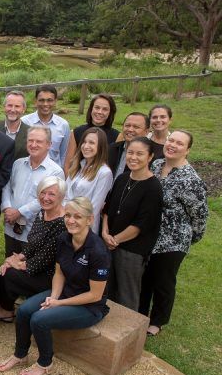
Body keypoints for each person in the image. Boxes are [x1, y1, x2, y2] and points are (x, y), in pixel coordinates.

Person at [0, 197, 110, 375]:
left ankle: (44, 363)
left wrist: (59, 303)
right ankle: (20, 354)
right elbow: (59, 273)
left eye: (78, 217)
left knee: (39, 320)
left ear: (90, 220)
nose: (71, 220)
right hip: (64, 293)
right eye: (68, 215)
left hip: (89, 306)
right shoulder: (65, 238)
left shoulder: (98, 251)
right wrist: (54, 297)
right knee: (24, 311)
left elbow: (94, 295)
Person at [140, 130, 208, 336]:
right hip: (149, 236)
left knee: (163, 281)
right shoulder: (157, 165)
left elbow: (200, 215)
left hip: (174, 241)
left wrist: (189, 238)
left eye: (179, 143)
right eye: (171, 140)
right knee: (145, 277)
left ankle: (158, 320)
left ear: (187, 150)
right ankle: (140, 314)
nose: (172, 145)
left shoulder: (190, 180)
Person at [0, 176, 67, 322]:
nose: (46, 198)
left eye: (51, 194)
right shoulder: (43, 212)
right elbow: (33, 244)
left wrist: (18, 264)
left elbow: (46, 259)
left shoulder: (61, 224)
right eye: (42, 193)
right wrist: (18, 257)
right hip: (37, 265)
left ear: (62, 197)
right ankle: (2, 304)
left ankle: (6, 310)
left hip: (51, 276)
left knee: (10, 274)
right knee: (5, 266)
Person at [102, 137, 163, 311]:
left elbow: (140, 225)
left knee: (127, 294)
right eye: (130, 152)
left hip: (132, 250)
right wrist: (105, 233)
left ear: (150, 157)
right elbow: (107, 208)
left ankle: (128, 334)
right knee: (106, 288)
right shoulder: (122, 178)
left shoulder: (153, 188)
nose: (133, 157)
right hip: (110, 242)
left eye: (139, 154)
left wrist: (114, 240)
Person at [1, 126, 64, 257]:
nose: (33, 145)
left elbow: (47, 199)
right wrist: (7, 208)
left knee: (26, 268)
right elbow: (7, 187)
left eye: (39, 141)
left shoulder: (55, 171)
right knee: (9, 262)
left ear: (49, 144)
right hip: (11, 226)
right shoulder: (17, 164)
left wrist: (19, 212)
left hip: (34, 231)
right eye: (30, 140)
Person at [65, 128, 113, 230]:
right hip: (66, 222)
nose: (86, 146)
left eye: (91, 143)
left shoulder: (104, 173)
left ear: (100, 147)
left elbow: (94, 207)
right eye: (84, 142)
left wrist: (75, 221)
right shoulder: (77, 166)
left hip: (84, 228)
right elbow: (65, 194)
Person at [64, 94, 119, 174]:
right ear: (91, 109)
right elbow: (68, 164)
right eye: (97, 107)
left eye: (105, 109)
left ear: (110, 112)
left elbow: (114, 166)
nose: (100, 112)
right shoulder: (76, 132)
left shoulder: (117, 136)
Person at [21, 85, 70, 167]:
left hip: (53, 175)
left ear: (55, 101)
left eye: (49, 100)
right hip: (29, 170)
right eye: (41, 100)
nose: (45, 104)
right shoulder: (25, 122)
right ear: (35, 101)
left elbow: (64, 155)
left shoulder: (63, 125)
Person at [107, 112, 160, 177]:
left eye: (136, 127)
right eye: (127, 125)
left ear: (146, 132)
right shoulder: (111, 149)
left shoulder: (151, 158)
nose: (130, 129)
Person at [0, 90, 29, 160]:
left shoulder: (30, 132)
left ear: (23, 109)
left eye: (17, 106)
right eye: (10, 105)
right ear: (4, 107)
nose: (13, 110)